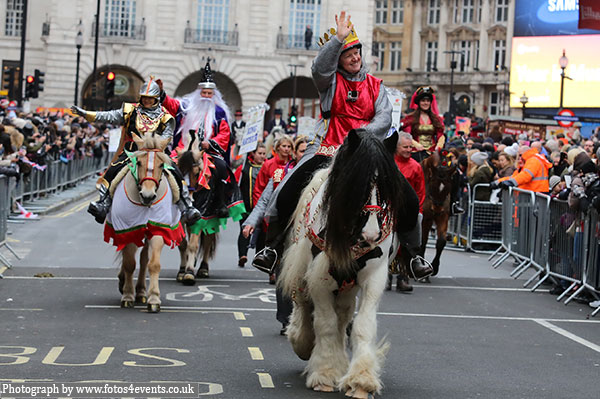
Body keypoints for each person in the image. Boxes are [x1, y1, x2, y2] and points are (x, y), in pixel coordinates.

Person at [251, 10, 395, 272]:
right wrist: (337, 39)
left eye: (357, 53)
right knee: (286, 190)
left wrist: (361, 137)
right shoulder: (328, 81)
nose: (355, 58)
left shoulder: (376, 85)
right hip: (328, 147)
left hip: (364, 150)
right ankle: (273, 247)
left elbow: (385, 118)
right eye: (348, 54)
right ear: (339, 59)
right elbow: (319, 68)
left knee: (402, 190)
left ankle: (410, 252)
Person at [71, 78, 201, 225]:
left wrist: (154, 145)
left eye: (150, 98)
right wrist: (86, 114)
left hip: (156, 153)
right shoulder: (130, 110)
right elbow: (108, 116)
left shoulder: (165, 116)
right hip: (132, 153)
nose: (146, 101)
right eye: (144, 98)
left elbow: (167, 136)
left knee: (176, 173)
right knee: (113, 171)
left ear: (156, 99)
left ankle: (187, 207)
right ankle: (104, 203)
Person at [161, 61, 240, 220]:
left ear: (213, 95)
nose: (206, 96)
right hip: (185, 149)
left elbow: (224, 133)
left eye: (209, 93)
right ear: (199, 93)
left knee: (221, 167)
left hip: (208, 152)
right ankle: (163, 200)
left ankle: (220, 203)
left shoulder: (219, 112)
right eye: (204, 93)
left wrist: (209, 143)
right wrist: (161, 93)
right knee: (166, 167)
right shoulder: (187, 106)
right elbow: (171, 104)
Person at [401, 86, 464, 216]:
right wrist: (415, 144)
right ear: (418, 102)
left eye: (428, 101)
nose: (425, 103)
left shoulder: (436, 119)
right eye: (423, 100)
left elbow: (441, 134)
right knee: (405, 172)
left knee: (455, 171)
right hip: (415, 150)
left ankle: (453, 203)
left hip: (433, 151)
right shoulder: (410, 118)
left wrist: (439, 146)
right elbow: (406, 133)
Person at [388, 132, 432, 292]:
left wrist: (417, 212)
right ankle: (385, 276)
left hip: (408, 211)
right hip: (389, 210)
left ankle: (409, 270)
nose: (408, 150)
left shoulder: (416, 166)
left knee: (408, 244)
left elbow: (420, 193)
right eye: (405, 147)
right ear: (396, 147)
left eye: (410, 147)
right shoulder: (389, 163)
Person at [237, 143, 267, 267]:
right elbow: (235, 183)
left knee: (261, 233)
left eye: (264, 154)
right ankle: (242, 255)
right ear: (253, 154)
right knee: (244, 230)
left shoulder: (267, 167)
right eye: (259, 153)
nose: (262, 156)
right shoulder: (244, 168)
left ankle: (258, 256)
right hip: (246, 206)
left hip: (262, 206)